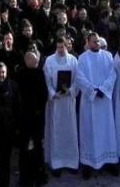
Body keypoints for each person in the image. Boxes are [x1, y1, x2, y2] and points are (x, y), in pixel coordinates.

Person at [75, 33, 118, 179]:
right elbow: (79, 77)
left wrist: (103, 89)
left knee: (106, 131)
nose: (97, 44)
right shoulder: (82, 58)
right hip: (89, 102)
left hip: (104, 101)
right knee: (89, 132)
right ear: (88, 42)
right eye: (94, 42)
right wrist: (93, 90)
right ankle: (88, 165)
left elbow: (113, 74)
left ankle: (109, 162)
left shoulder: (108, 56)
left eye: (98, 41)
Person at [43, 37, 79, 174]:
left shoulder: (73, 61)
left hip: (69, 101)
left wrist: (70, 91)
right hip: (56, 102)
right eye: (58, 47)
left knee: (69, 131)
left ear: (67, 46)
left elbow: (77, 79)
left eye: (62, 47)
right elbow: (47, 80)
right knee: (56, 131)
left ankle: (71, 162)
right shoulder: (49, 60)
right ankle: (56, 163)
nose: (60, 50)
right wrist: (53, 93)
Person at [15, 51, 48, 187]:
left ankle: (39, 175)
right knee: (24, 148)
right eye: (31, 60)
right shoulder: (20, 74)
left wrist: (38, 109)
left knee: (38, 147)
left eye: (35, 60)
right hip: (24, 117)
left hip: (37, 117)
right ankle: (25, 177)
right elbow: (18, 96)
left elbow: (44, 94)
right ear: (26, 61)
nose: (34, 62)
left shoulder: (40, 73)